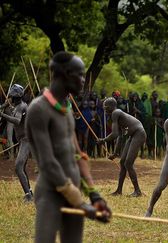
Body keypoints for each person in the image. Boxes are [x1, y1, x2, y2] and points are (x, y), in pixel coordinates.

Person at [26, 51, 111, 243]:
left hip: (74, 194)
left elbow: (77, 155)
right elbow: (47, 162)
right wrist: (79, 202)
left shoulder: (66, 108)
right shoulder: (38, 109)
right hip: (51, 193)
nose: (83, 80)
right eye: (79, 74)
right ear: (64, 73)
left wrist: (94, 195)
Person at [97, 97, 146, 197]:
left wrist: (103, 140)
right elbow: (119, 136)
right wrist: (115, 153)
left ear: (111, 107)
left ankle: (138, 191)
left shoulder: (116, 112)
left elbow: (114, 134)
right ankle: (119, 190)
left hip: (139, 133)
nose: (104, 109)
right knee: (123, 162)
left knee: (128, 163)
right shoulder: (114, 116)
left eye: (105, 107)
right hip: (132, 135)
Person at [0, 84, 33, 202]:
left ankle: (28, 196)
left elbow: (18, 121)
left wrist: (3, 115)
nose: (10, 99)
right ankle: (29, 192)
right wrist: (2, 107)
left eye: (11, 97)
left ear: (15, 97)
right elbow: (7, 106)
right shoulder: (19, 105)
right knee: (21, 167)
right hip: (23, 140)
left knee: (18, 167)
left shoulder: (20, 107)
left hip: (26, 140)